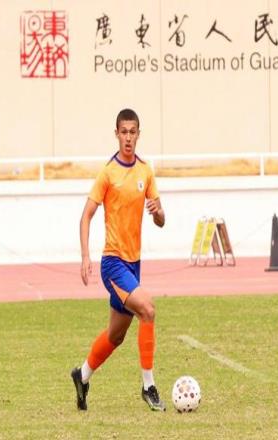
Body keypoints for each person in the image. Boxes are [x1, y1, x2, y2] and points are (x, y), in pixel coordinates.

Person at [71, 108, 166, 412]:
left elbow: (161, 219)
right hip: (113, 264)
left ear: (138, 134)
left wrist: (159, 212)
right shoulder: (108, 173)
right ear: (116, 134)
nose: (128, 137)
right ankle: (148, 386)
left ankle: (82, 375)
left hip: (134, 265)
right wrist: (85, 256)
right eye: (123, 132)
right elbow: (86, 216)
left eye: (132, 132)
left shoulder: (145, 171)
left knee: (116, 335)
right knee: (148, 309)